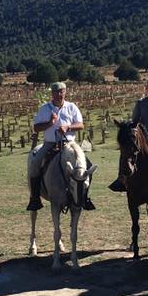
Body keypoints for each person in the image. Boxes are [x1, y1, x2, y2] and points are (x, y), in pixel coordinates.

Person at [27, 81, 96, 211]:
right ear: (52, 93)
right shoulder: (45, 108)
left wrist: (68, 127)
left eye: (62, 91)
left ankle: (85, 197)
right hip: (50, 144)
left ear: (65, 92)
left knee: (88, 165)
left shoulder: (72, 107)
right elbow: (36, 127)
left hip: (69, 144)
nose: (59, 94)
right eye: (56, 92)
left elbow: (80, 125)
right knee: (35, 164)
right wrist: (50, 123)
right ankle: (35, 199)